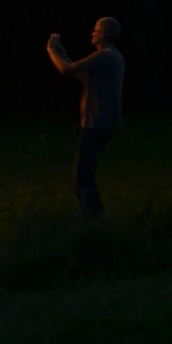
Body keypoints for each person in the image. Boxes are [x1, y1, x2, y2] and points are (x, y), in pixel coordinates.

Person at [47, 17, 124, 217]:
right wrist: (63, 53)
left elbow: (65, 69)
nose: (92, 32)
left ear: (104, 34)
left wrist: (51, 50)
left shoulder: (104, 56)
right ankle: (92, 213)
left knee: (82, 174)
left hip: (96, 122)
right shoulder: (112, 56)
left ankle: (91, 214)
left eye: (96, 30)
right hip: (105, 122)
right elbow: (81, 76)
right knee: (86, 170)